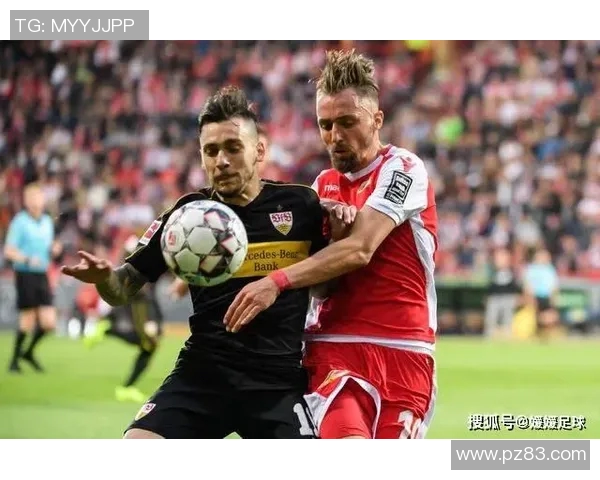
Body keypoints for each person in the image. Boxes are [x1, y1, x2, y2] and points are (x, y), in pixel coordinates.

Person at [61, 86, 329, 439]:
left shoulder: (301, 205)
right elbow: (121, 289)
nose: (221, 160)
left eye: (233, 147)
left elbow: (329, 283)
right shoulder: (187, 216)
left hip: (277, 381)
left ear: (259, 150)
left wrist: (338, 222)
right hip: (203, 374)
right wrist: (104, 278)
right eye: (211, 150)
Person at [224, 49, 438, 439]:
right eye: (325, 125)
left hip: (405, 351)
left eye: (347, 122)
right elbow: (322, 288)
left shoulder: (404, 168)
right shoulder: (322, 187)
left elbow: (361, 249)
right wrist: (331, 239)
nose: (335, 137)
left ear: (377, 120)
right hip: (333, 349)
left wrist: (276, 281)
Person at [78, 237, 164, 403]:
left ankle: (127, 387)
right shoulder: (136, 266)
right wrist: (151, 320)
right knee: (148, 344)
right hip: (140, 303)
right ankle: (126, 387)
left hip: (142, 303)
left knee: (148, 345)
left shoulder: (139, 263)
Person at [4, 183, 61, 373]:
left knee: (49, 322)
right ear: (26, 201)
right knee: (27, 319)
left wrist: (54, 248)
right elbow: (9, 251)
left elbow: (49, 245)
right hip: (25, 273)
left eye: (39, 197)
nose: (37, 201)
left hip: (42, 273)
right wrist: (27, 259)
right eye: (33, 197)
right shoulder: (20, 222)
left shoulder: (46, 221)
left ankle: (28, 353)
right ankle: (14, 361)